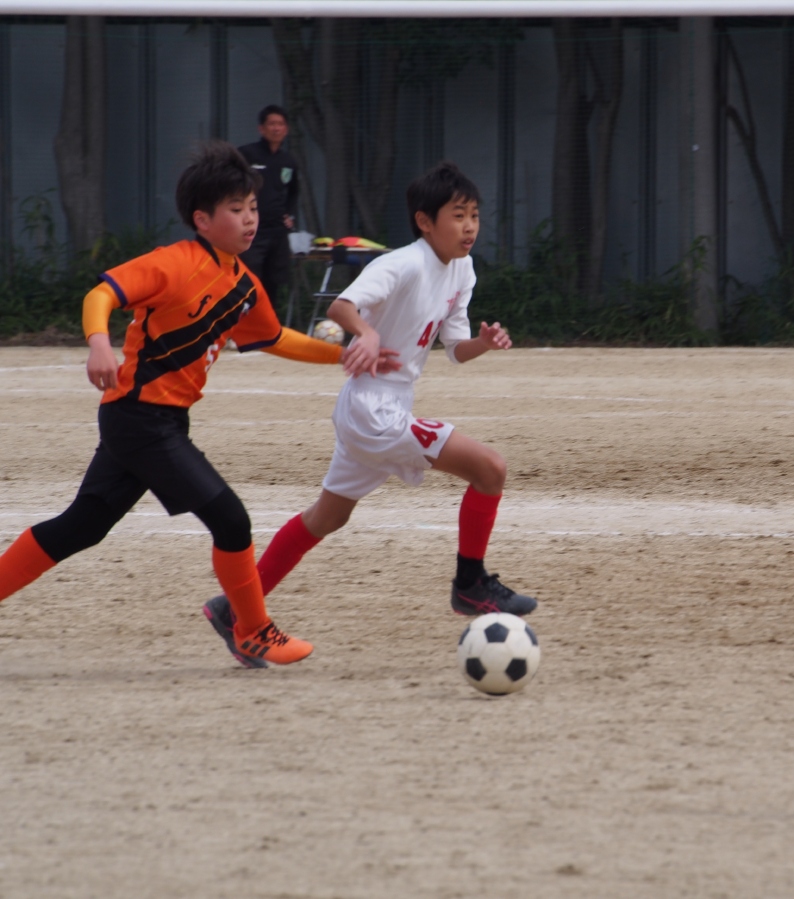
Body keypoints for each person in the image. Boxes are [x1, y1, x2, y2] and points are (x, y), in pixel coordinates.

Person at [0, 141, 387, 668]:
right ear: (202, 220)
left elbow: (275, 337)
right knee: (231, 521)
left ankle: (247, 628)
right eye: (236, 209)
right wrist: (98, 342)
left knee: (82, 525)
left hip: (153, 421)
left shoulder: (243, 284)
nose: (249, 219)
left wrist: (344, 355)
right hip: (140, 419)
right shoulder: (174, 264)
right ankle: (252, 630)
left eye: (253, 207)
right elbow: (101, 295)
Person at [202, 162, 537, 669]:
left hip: (382, 408)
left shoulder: (462, 269)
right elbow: (341, 307)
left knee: (327, 517)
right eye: (458, 215)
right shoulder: (403, 264)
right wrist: (368, 333)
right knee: (490, 468)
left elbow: (455, 349)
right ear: (425, 222)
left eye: (474, 215)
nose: (470, 226)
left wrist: (483, 344)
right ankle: (470, 585)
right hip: (373, 410)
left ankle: (233, 608)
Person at [238, 105, 299, 314]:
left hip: (277, 231)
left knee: (274, 280)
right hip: (252, 230)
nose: (276, 128)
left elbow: (294, 191)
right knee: (249, 278)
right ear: (261, 128)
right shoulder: (246, 154)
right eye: (271, 124)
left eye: (280, 124)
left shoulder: (288, 161)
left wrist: (289, 215)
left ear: (286, 129)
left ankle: (269, 325)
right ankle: (241, 323)